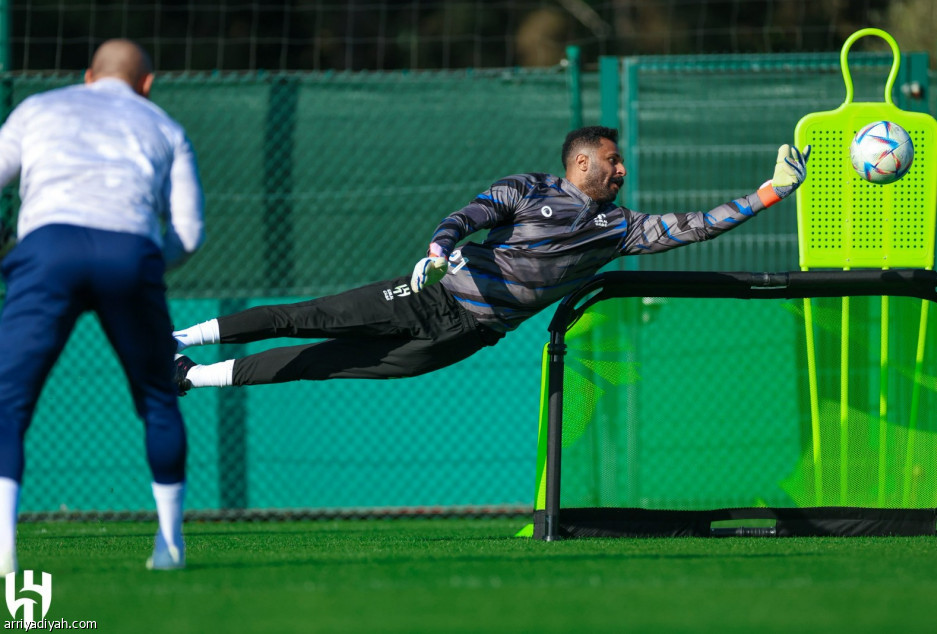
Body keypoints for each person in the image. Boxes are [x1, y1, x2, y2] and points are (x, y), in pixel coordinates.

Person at [172, 126, 807, 392]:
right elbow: (470, 215)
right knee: (308, 318)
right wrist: (439, 248)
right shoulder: (531, 189)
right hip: (432, 295)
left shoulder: (620, 228)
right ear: (581, 162)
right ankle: (176, 336)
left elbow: (694, 227)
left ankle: (185, 378)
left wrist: (769, 193)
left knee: (323, 366)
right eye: (612, 160)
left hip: (468, 336)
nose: (622, 169)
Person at [0, 39, 205, 574]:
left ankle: (2, 552)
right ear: (147, 83)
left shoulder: (38, 108)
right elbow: (188, 233)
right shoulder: (165, 126)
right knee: (158, 398)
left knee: (8, 403)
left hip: (48, 249)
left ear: (88, 76)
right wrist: (142, 262)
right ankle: (169, 547)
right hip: (130, 250)